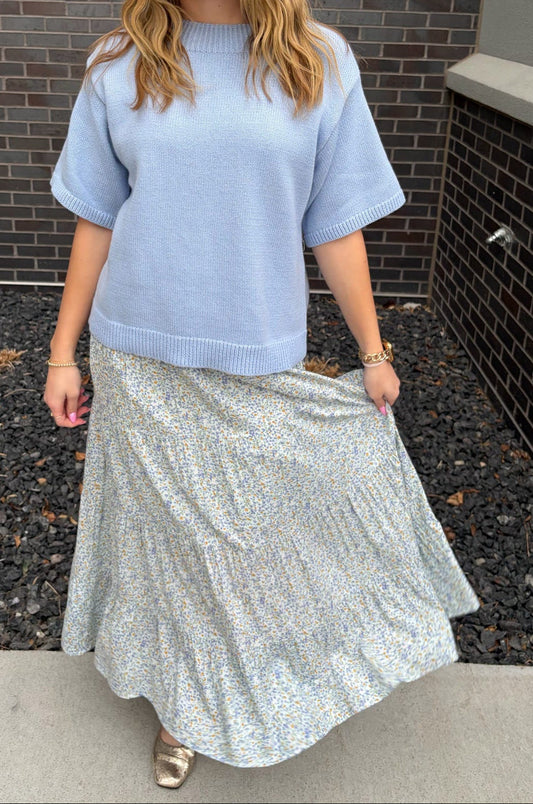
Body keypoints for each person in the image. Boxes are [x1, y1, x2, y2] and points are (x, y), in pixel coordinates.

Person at [43, 0, 480, 789]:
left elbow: (336, 225)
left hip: (257, 355)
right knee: (176, 547)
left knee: (246, 542)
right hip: (139, 357)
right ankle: (185, 707)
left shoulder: (316, 60)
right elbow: (96, 218)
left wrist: (372, 351)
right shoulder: (120, 61)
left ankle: (280, 667)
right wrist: (61, 352)